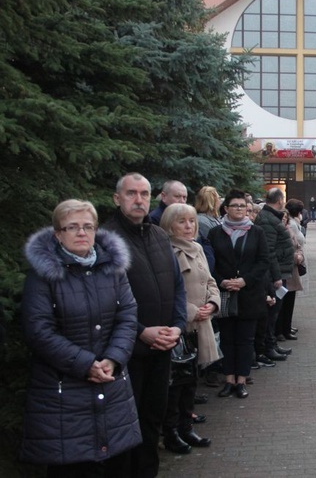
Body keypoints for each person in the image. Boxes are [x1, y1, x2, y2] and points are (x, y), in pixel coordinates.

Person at [20, 200, 141, 476]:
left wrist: (113, 358)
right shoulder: (43, 275)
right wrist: (86, 364)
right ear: (57, 234)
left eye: (88, 226)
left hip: (113, 388)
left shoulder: (113, 268)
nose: (81, 232)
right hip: (63, 395)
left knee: (116, 464)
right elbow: (38, 330)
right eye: (72, 227)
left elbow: (128, 315)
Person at [103, 173, 187, 477]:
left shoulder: (158, 235)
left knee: (152, 419)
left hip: (163, 346)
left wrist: (177, 326)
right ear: (117, 198)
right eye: (131, 193)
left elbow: (177, 286)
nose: (139, 200)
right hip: (128, 353)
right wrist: (142, 332)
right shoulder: (106, 239)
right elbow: (104, 301)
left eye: (144, 194)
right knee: (126, 426)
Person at [160, 204, 220, 453]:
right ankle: (171, 433)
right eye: (181, 221)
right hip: (179, 326)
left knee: (191, 382)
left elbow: (210, 281)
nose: (188, 226)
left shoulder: (197, 249)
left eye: (192, 221)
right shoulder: (166, 252)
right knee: (176, 384)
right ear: (169, 225)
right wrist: (193, 310)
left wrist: (212, 303)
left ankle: (187, 428)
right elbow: (165, 292)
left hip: (201, 325)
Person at [207, 190, 271, 397]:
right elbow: (209, 263)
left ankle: (241, 380)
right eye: (234, 206)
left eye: (242, 206)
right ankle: (228, 380)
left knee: (245, 340)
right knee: (227, 338)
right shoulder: (215, 233)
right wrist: (221, 281)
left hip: (249, 294)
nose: (239, 209)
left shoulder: (256, 232)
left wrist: (244, 280)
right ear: (226, 209)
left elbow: (263, 261)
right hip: (224, 294)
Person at [254, 188, 295, 362]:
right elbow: (269, 251)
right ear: (280, 200)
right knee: (271, 313)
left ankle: (271, 344)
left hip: (280, 270)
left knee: (275, 312)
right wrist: (276, 276)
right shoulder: (267, 219)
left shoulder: (271, 218)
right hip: (273, 274)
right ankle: (267, 347)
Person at [277, 199, 307, 341]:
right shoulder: (280, 232)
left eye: (285, 218)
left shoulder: (289, 228)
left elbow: (298, 244)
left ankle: (286, 328)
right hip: (285, 269)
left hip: (292, 268)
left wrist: (299, 254)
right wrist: (296, 256)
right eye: (281, 218)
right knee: (283, 302)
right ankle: (282, 330)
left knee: (289, 301)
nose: (284, 220)